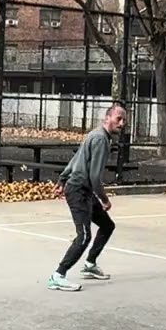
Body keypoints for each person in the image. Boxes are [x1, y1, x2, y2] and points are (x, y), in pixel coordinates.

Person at [48, 102, 126, 292]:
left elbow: (77, 158)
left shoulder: (96, 134)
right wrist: (105, 199)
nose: (122, 123)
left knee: (107, 225)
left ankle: (90, 264)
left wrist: (62, 178)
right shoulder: (100, 139)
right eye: (119, 118)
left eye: (124, 120)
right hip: (79, 191)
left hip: (84, 190)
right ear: (107, 118)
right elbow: (95, 177)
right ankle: (58, 276)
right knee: (84, 236)